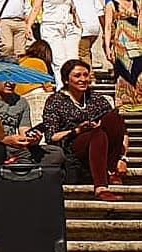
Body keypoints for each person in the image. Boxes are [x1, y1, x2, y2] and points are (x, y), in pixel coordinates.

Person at [42, 59, 128, 201]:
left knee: (114, 116)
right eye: (77, 76)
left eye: (85, 75)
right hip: (72, 144)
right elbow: (52, 136)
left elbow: (122, 131)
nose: (83, 79)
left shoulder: (95, 98)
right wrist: (77, 130)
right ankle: (101, 187)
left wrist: (123, 158)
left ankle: (112, 168)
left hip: (101, 142)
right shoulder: (56, 100)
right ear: (66, 80)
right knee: (97, 133)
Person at [26, 0, 81, 83]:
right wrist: (29, 25)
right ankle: (61, 89)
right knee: (58, 60)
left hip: (69, 28)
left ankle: (74, 89)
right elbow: (36, 7)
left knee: (73, 61)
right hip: (51, 27)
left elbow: (72, 9)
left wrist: (79, 26)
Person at [104, 0, 142, 114]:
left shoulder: (137, 3)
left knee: (139, 72)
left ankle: (138, 101)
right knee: (124, 73)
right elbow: (108, 26)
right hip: (121, 43)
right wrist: (108, 47)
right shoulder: (112, 4)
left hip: (137, 41)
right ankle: (124, 102)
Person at [70, 0, 104, 68]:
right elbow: (100, 12)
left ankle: (90, 77)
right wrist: (104, 30)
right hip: (94, 28)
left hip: (83, 28)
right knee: (87, 51)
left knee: (83, 54)